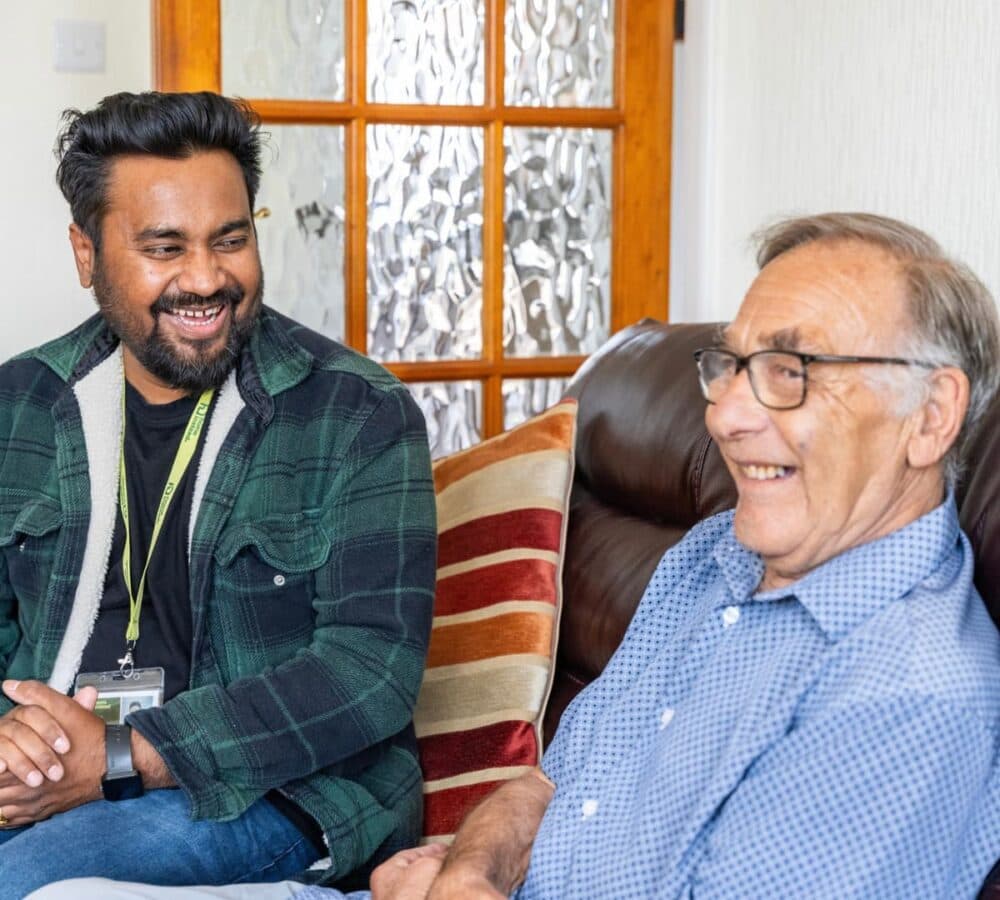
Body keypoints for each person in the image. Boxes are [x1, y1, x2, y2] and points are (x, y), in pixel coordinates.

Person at [48, 212, 1000, 899]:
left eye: (791, 372)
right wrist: (471, 871)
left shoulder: (910, 692)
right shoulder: (714, 557)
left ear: (933, 416)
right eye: (731, 365)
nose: (728, 413)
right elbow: (552, 783)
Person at [0, 91, 436, 898]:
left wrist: (127, 756)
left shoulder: (357, 413)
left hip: (271, 793)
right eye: (164, 248)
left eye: (229, 241)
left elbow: (370, 669)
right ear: (86, 254)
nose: (205, 279)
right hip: (48, 773)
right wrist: (21, 752)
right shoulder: (17, 404)